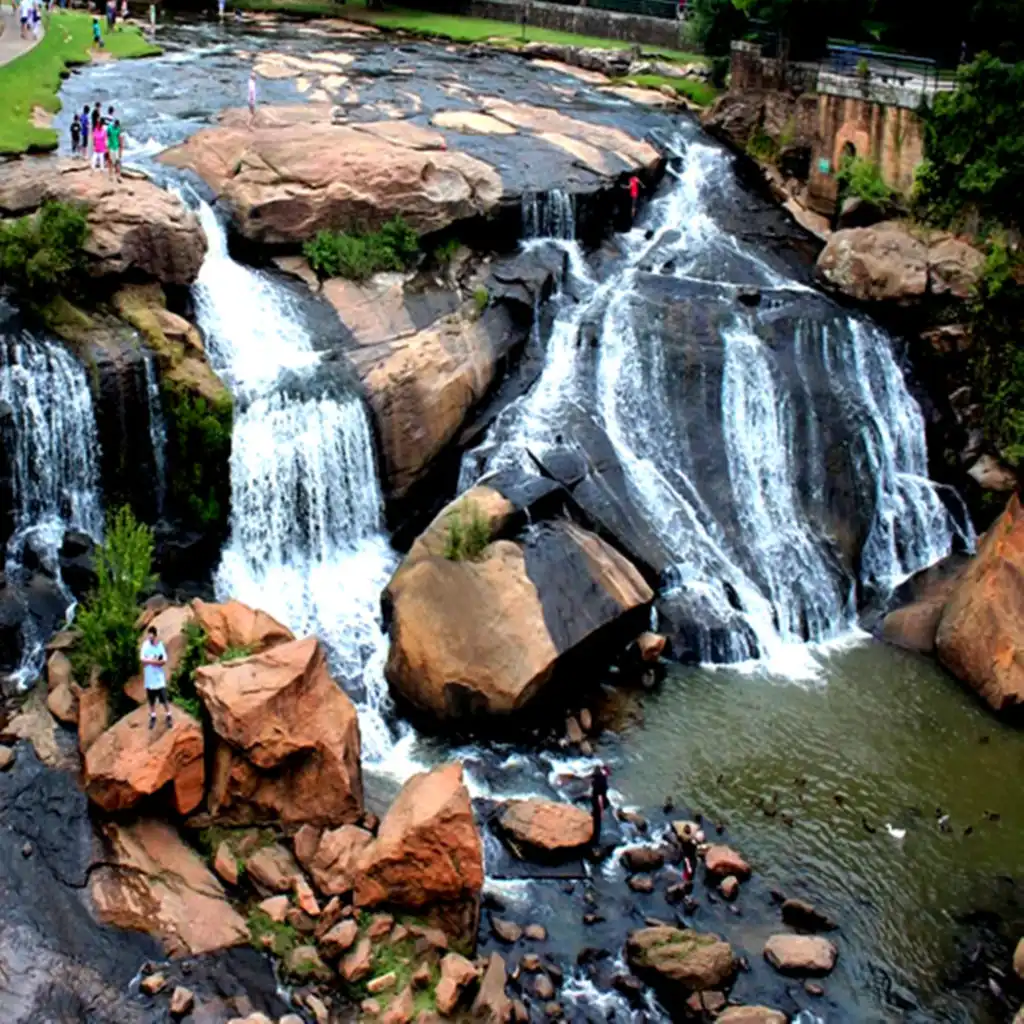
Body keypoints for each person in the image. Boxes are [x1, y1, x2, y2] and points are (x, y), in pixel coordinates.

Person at [140, 625, 172, 729]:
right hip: (149, 679)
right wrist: (154, 661)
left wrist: (150, 661)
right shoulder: (145, 645)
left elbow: (163, 660)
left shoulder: (160, 646)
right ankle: (153, 716)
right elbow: (142, 659)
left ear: (155, 635)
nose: (150, 638)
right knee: (151, 700)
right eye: (148, 635)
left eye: (151, 636)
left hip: (159, 679)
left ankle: (168, 715)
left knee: (164, 699)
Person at [590, 764, 610, 843]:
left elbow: (599, 797)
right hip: (603, 800)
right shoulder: (603, 778)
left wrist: (601, 809)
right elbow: (607, 773)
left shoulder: (596, 781)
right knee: (597, 819)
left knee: (597, 820)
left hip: (597, 802)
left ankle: (596, 838)